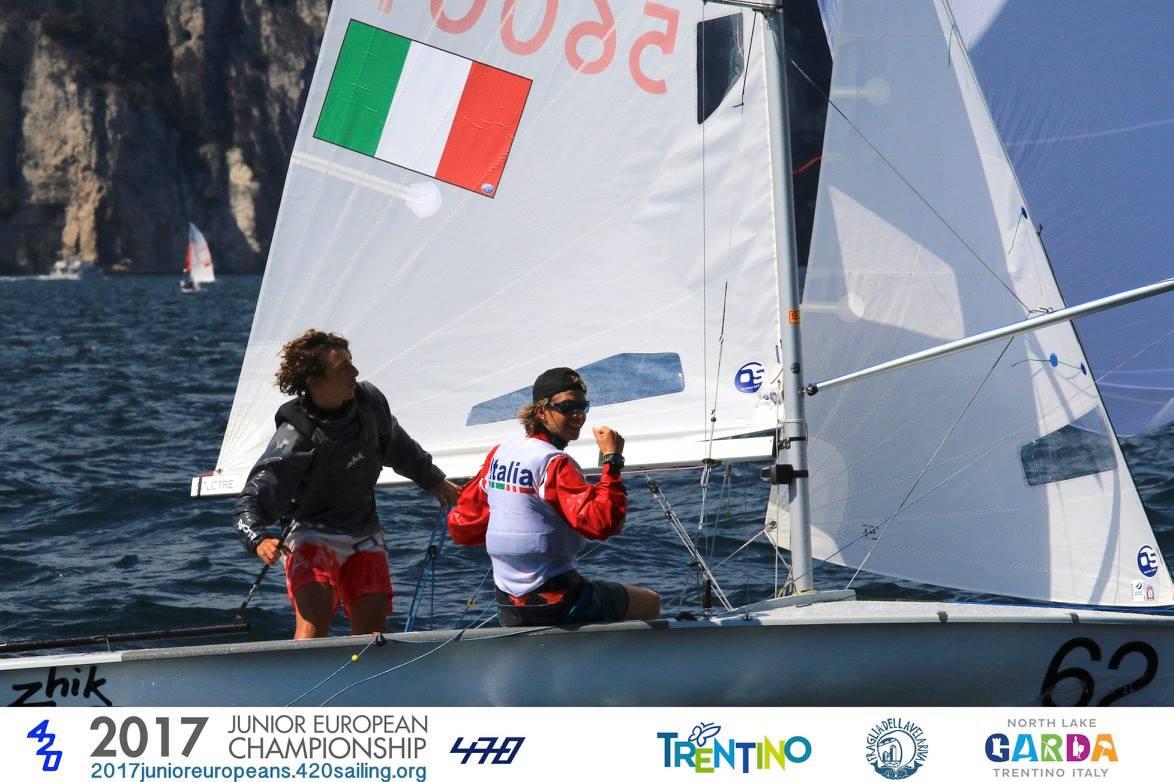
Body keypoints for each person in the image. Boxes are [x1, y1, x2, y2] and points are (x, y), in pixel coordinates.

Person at [234, 329, 460, 639]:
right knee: (313, 626)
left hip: (363, 531)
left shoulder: (369, 403)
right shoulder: (295, 437)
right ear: (315, 381)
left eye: (351, 362)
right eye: (343, 368)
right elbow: (250, 500)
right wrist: (258, 538)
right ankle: (305, 670)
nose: (355, 372)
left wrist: (434, 480)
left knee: (372, 633)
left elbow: (398, 446)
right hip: (311, 534)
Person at [447, 367, 660, 626]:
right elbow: (604, 524)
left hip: (508, 606)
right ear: (540, 411)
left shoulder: (499, 453)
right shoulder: (555, 463)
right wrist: (612, 460)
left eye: (583, 407)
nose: (578, 415)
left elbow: (462, 527)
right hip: (558, 603)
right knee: (650, 602)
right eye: (568, 407)